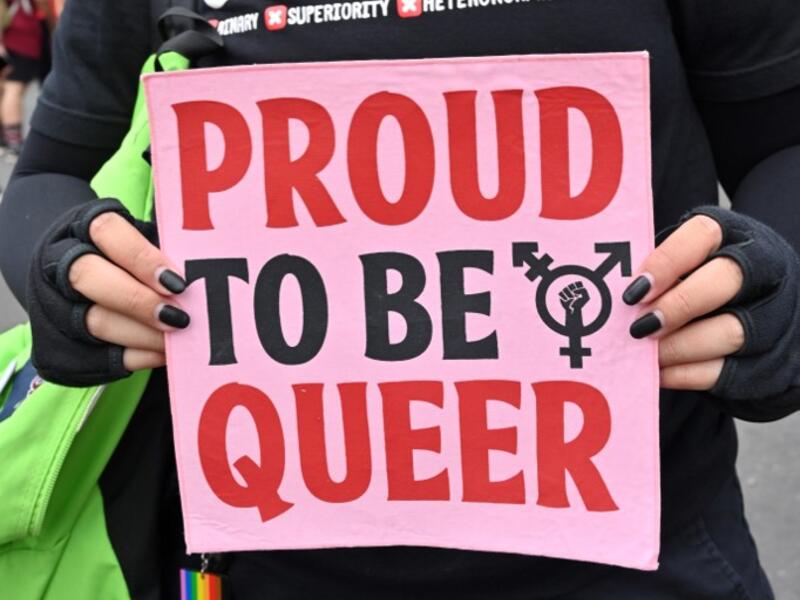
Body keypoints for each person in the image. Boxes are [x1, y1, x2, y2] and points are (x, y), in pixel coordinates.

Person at [1, 1, 800, 598]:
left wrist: (773, 285)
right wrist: (61, 269)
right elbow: (49, 172)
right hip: (260, 564)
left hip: (639, 555)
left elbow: (780, 144)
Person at [0, 0, 48, 157]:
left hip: (15, 41)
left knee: (6, 89)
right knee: (14, 89)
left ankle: (6, 138)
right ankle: (13, 140)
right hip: (17, 42)